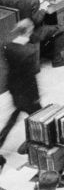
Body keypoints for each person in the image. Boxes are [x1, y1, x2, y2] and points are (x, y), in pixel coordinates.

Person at [0, 20, 41, 149]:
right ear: (29, 30)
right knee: (39, 117)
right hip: (27, 90)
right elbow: (31, 76)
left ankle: (1, 139)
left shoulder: (8, 46)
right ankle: (32, 142)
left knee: (16, 113)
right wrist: (36, 95)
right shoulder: (29, 51)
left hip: (13, 86)